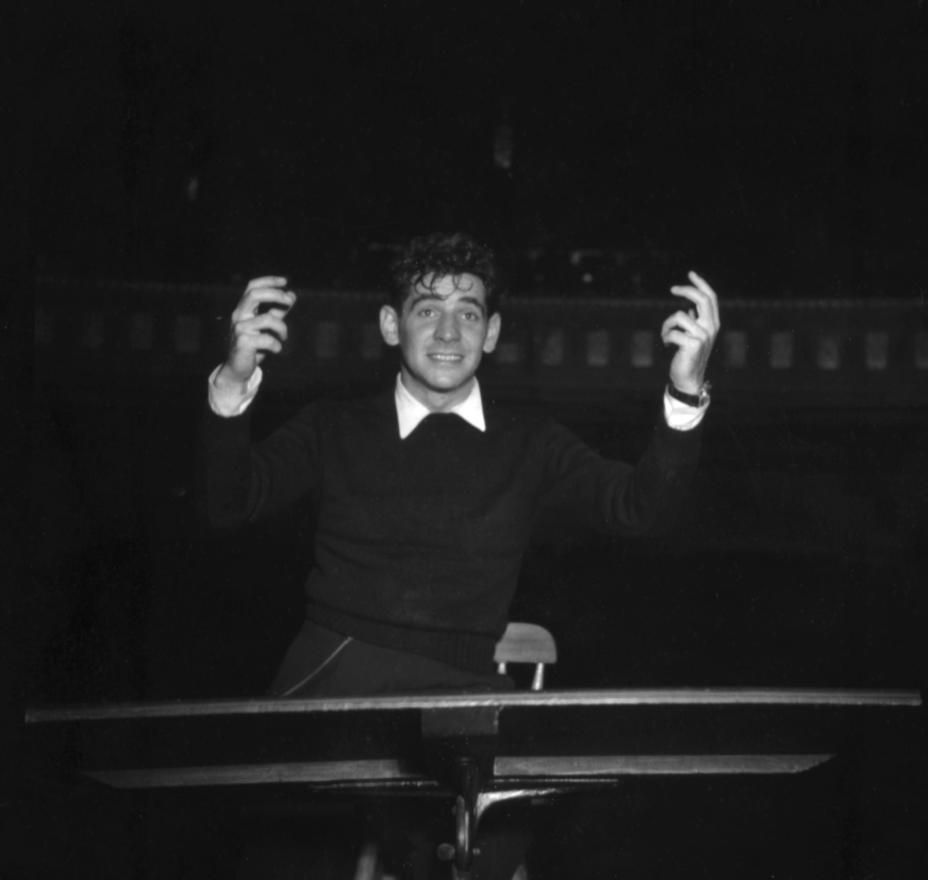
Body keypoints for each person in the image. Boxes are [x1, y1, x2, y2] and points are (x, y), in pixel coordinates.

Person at [199, 231, 719, 878]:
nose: (449, 332)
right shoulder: (331, 426)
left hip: (459, 697)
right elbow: (229, 504)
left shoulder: (532, 441)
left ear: (492, 332)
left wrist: (685, 390)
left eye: (468, 313)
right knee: (286, 854)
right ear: (392, 325)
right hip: (338, 679)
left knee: (515, 842)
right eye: (427, 310)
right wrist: (232, 381)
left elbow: (639, 511)